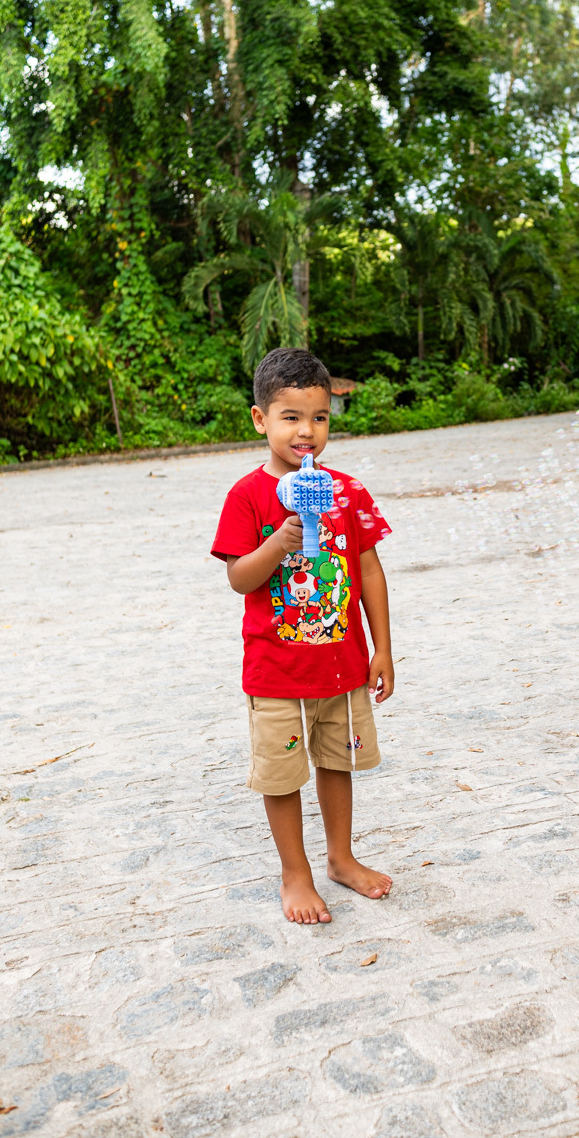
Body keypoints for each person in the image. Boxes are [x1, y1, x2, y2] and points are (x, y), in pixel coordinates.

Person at [211, 348, 394, 924]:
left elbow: (367, 569)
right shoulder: (247, 495)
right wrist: (279, 542)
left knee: (337, 762)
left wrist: (382, 646)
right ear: (260, 420)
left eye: (319, 417)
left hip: (341, 666)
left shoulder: (347, 491)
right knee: (283, 772)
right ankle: (296, 873)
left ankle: (341, 857)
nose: (307, 431)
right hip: (277, 670)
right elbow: (241, 578)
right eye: (290, 416)